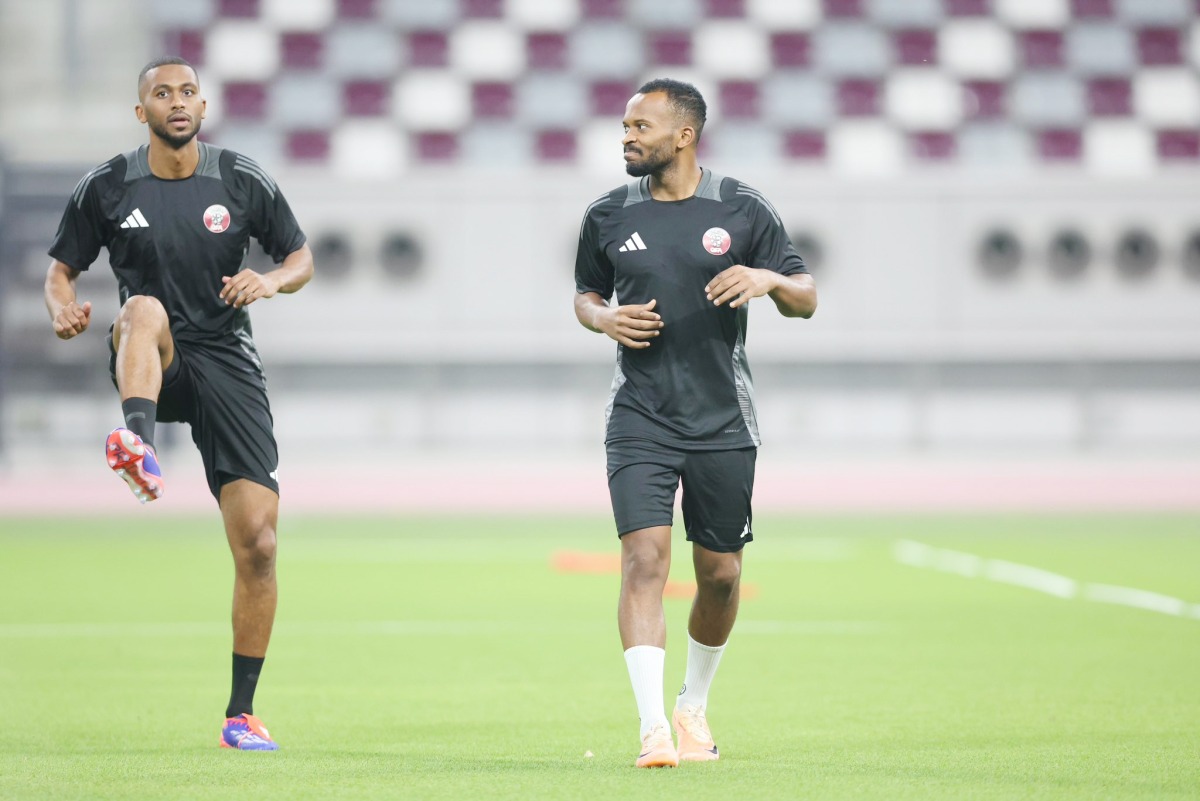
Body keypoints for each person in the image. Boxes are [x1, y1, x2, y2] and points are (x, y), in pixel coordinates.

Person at [44, 57, 314, 751]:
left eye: (188, 91)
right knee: (139, 307)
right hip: (153, 351)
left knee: (259, 541)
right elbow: (60, 271)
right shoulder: (107, 185)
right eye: (162, 93)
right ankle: (137, 440)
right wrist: (64, 306)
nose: (177, 101)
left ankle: (241, 714)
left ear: (203, 103)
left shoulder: (241, 178)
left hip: (226, 358)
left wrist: (272, 281)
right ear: (143, 114)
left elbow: (301, 257)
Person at [573, 79, 817, 768]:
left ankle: (692, 706)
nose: (626, 135)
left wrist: (768, 281)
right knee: (644, 559)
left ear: (683, 135)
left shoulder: (741, 207)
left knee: (720, 574)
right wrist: (603, 317)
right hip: (639, 416)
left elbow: (807, 295)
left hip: (722, 421)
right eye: (624, 123)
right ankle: (652, 726)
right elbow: (585, 295)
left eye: (640, 125)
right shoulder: (608, 214)